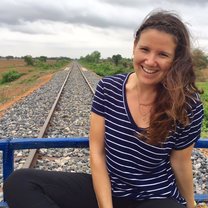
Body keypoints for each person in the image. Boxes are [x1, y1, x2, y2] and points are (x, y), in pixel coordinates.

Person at [3, 10, 204, 208]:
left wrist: (191, 204)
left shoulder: (187, 104)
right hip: (108, 189)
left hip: (154, 198)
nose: (150, 61)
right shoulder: (109, 88)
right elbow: (97, 152)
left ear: (175, 59)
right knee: (19, 182)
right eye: (145, 49)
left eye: (162, 54)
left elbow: (180, 162)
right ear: (134, 47)